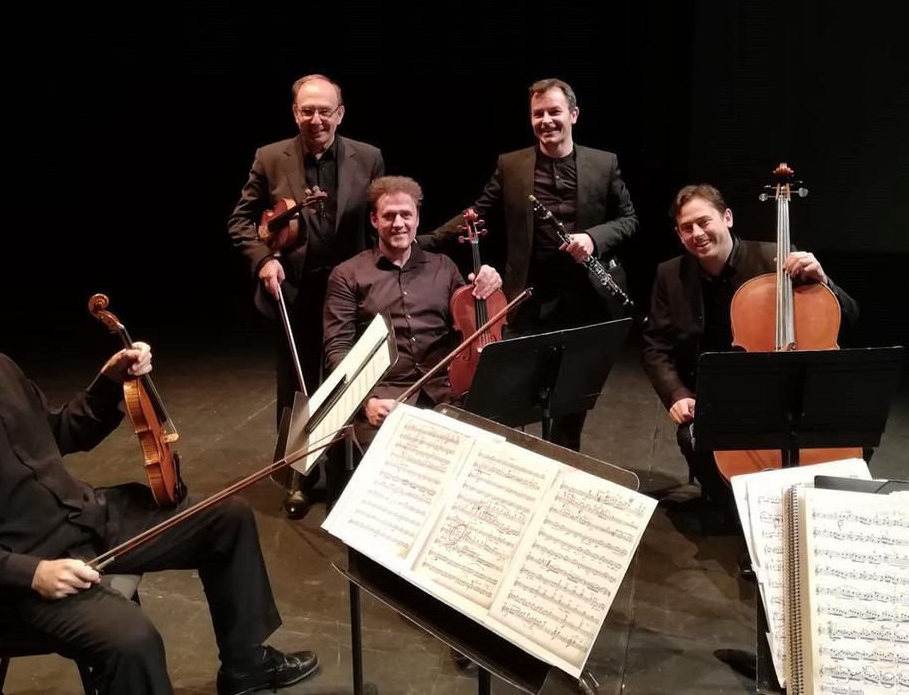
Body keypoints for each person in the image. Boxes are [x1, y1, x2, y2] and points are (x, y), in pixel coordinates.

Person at [0, 237, 319, 695]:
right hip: (12, 575)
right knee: (132, 640)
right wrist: (33, 574)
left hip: (83, 520)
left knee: (227, 517)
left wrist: (109, 382)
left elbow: (58, 434)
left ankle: (245, 667)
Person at [418, 77, 637, 451]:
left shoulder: (604, 163)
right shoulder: (512, 165)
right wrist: (420, 241)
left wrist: (593, 238)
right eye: (538, 114)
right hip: (528, 298)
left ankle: (562, 463)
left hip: (585, 300)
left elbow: (629, 219)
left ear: (574, 114)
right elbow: (477, 211)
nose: (546, 120)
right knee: (518, 395)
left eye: (554, 112)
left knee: (569, 399)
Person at [640, 184, 859, 508]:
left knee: (853, 435)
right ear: (678, 234)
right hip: (714, 396)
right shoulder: (670, 274)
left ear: (727, 217)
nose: (697, 233)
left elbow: (849, 317)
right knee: (692, 436)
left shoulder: (778, 261)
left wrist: (824, 282)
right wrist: (677, 393)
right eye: (687, 228)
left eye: (704, 221)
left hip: (780, 392)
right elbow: (654, 346)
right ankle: (735, 511)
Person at [227, 73, 384, 517]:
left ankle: (343, 473)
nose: (316, 119)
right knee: (298, 387)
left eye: (325, 110)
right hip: (293, 289)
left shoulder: (368, 156)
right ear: (295, 112)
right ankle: (299, 476)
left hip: (349, 290)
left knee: (346, 380)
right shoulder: (270, 157)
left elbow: (377, 218)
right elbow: (240, 221)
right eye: (306, 110)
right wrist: (264, 260)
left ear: (340, 113)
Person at [323, 176, 502, 447]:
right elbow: (338, 349)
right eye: (389, 216)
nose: (398, 224)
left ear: (417, 219)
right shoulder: (347, 275)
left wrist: (489, 281)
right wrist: (365, 401)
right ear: (374, 220)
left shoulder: (444, 267)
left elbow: (473, 320)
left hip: (445, 391)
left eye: (406, 215)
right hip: (384, 396)